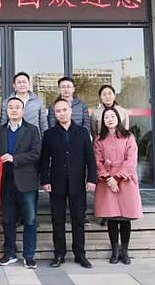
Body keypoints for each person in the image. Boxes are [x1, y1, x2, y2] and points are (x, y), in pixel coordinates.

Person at [40, 97, 96, 269]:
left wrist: (91, 179)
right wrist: (45, 180)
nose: (62, 113)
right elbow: (44, 160)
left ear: (71, 111)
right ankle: (59, 254)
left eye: (64, 110)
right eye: (58, 111)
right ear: (54, 114)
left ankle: (80, 254)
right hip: (56, 182)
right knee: (58, 220)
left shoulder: (82, 132)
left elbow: (90, 158)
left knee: (78, 220)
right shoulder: (49, 134)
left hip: (77, 183)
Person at [0, 97, 41, 269]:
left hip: (27, 182)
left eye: (17, 107)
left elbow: (36, 153)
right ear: (6, 111)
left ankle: (29, 256)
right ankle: (10, 253)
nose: (14, 110)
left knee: (30, 220)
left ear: (23, 111)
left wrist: (15, 158)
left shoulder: (32, 130)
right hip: (6, 182)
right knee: (7, 219)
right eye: (11, 107)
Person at [94, 107, 143, 265]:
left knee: (125, 218)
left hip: (125, 180)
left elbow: (131, 159)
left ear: (118, 118)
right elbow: (97, 161)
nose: (110, 119)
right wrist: (108, 178)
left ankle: (125, 251)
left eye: (112, 116)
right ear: (102, 121)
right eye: (106, 117)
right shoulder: (99, 139)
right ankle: (115, 251)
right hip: (107, 182)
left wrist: (118, 177)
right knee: (112, 218)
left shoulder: (128, 136)